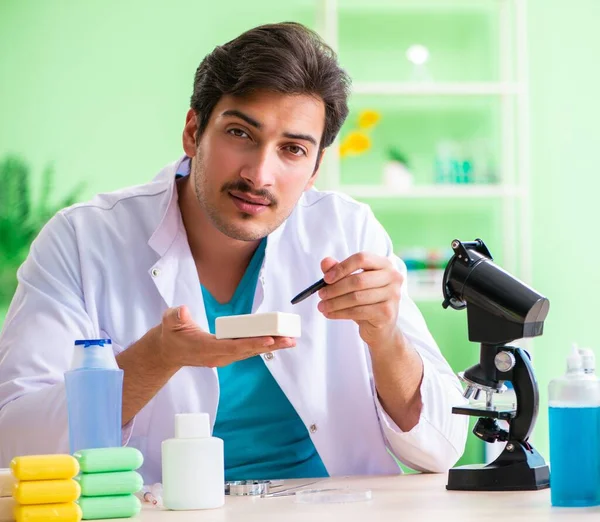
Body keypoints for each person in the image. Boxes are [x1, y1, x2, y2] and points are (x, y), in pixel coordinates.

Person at [0, 22, 467, 483]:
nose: (260, 174)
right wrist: (154, 358)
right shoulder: (82, 241)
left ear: (315, 168)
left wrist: (385, 338)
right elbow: (14, 441)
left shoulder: (347, 229)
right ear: (192, 131)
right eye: (241, 134)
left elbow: (442, 447)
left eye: (293, 150)